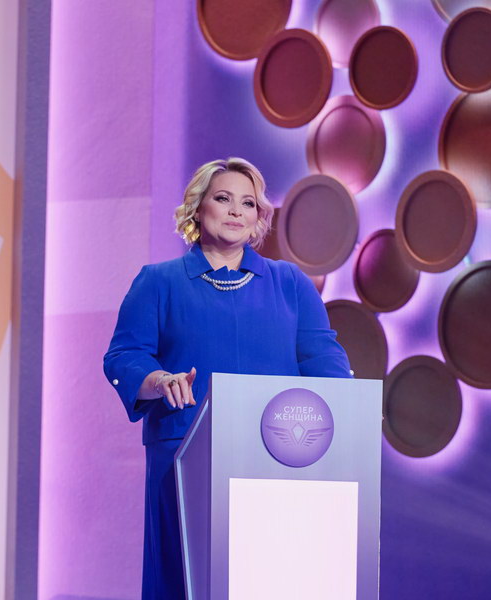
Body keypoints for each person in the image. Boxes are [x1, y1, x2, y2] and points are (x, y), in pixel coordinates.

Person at [103, 157, 351, 600]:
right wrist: (159, 379)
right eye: (223, 199)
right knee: (187, 580)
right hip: (184, 453)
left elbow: (322, 357)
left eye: (248, 203)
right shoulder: (159, 282)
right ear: (198, 209)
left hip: (275, 456)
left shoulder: (290, 283)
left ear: (258, 216)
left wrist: (351, 411)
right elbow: (124, 356)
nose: (237, 211)